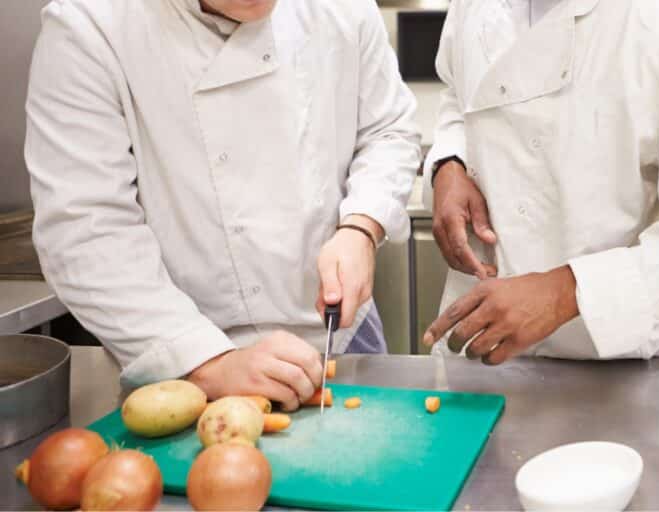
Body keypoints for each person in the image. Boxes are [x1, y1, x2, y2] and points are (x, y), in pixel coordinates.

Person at [25, 0, 421, 410]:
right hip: (181, 360)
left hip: (342, 337)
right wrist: (208, 363)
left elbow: (388, 129)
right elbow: (86, 231)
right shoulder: (90, 26)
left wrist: (361, 226)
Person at [422, 0, 659, 364]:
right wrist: (450, 162)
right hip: (478, 351)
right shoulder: (471, 6)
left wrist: (564, 293)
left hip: (615, 371)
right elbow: (455, 95)